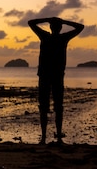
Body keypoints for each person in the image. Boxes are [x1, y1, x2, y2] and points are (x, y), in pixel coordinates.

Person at [28, 16, 84, 144]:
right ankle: (55, 137)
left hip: (48, 76)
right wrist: (63, 21)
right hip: (54, 76)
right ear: (60, 28)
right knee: (56, 107)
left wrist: (48, 19)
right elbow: (80, 27)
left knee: (46, 107)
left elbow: (31, 22)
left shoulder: (46, 36)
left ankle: (45, 138)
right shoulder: (60, 38)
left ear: (51, 27)